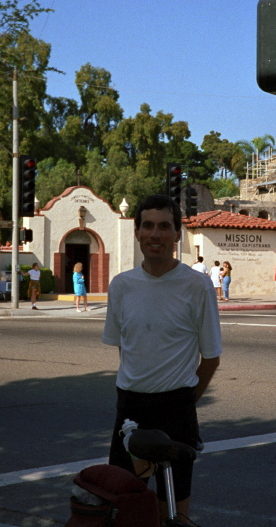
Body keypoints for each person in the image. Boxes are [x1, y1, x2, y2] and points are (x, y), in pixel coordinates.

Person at [102, 194, 221, 523]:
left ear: (177, 234)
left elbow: (211, 358)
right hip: (130, 408)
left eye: (164, 226)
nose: (156, 234)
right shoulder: (121, 286)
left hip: (177, 409)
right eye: (148, 226)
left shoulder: (197, 286)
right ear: (137, 232)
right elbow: (125, 347)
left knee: (175, 507)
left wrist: (184, 402)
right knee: (124, 502)